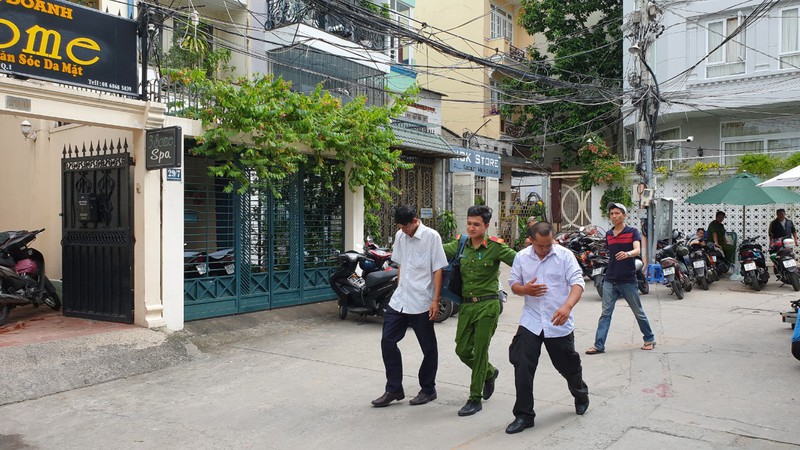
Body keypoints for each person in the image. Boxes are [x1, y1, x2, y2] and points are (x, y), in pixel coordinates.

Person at [505, 222, 589, 434]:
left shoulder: (564, 256)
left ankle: (580, 392)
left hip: (557, 321)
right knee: (522, 364)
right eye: (540, 245)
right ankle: (524, 415)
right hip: (531, 321)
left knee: (567, 365)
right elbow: (513, 284)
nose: (544, 249)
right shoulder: (522, 257)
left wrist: (567, 306)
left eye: (548, 245)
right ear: (531, 240)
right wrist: (525, 289)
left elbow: (578, 283)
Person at [443, 205, 516, 417]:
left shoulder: (495, 247)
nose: (471, 228)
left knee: (481, 350)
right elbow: (436, 250)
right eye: (469, 223)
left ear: (486, 226)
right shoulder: (461, 244)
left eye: (476, 224)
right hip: (466, 306)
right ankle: (490, 372)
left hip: (488, 305)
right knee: (462, 349)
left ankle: (475, 398)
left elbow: (522, 261)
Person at [371, 205, 448, 408]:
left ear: (415, 220)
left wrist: (435, 300)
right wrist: (399, 288)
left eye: (406, 227)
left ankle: (428, 389)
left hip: (422, 301)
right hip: (400, 300)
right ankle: (394, 388)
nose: (404, 231)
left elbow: (438, 269)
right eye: (400, 227)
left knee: (428, 348)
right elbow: (401, 265)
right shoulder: (400, 236)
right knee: (387, 341)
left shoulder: (432, 237)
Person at [586, 202, 656, 354]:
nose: (614, 216)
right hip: (610, 279)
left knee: (638, 312)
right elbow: (609, 253)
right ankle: (598, 345)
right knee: (605, 314)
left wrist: (627, 254)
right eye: (612, 214)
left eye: (617, 213)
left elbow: (637, 250)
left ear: (624, 215)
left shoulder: (632, 232)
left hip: (628, 280)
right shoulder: (609, 234)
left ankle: (649, 339)